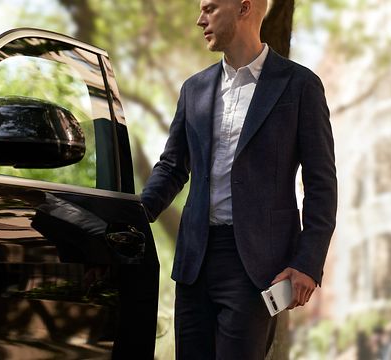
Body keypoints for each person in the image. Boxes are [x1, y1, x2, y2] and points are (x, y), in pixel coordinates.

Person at [140, 0, 337, 358]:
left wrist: (308, 262)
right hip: (193, 262)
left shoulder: (299, 86)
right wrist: (132, 217)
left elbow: (321, 184)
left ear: (244, 8)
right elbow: (172, 167)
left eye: (210, 9)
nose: (200, 20)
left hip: (257, 267)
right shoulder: (194, 89)